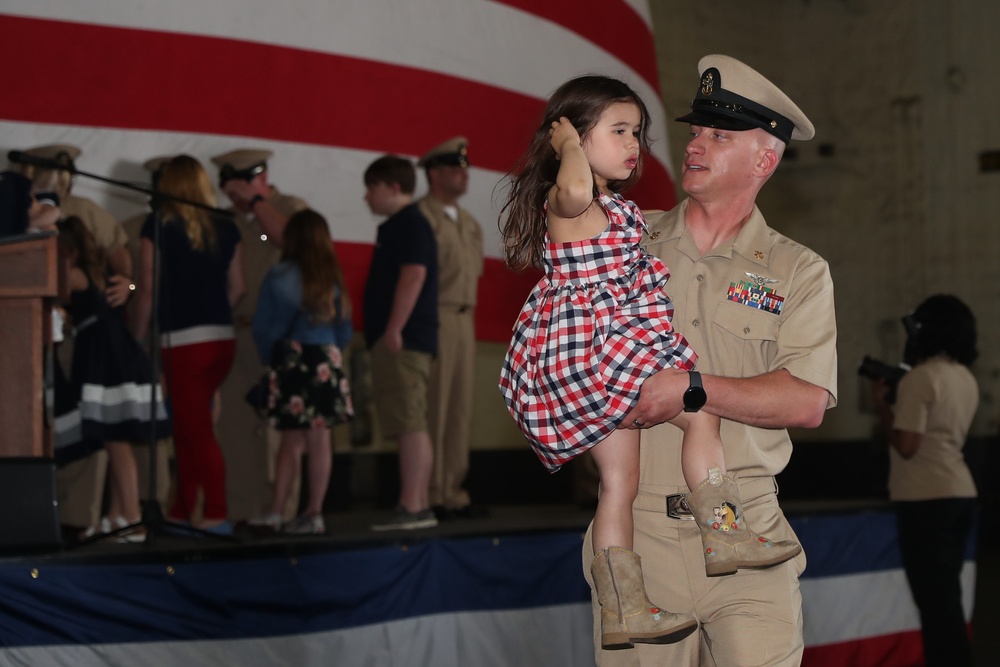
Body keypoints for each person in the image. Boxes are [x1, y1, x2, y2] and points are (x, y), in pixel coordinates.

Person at [499, 74, 800, 651]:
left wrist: (582, 148)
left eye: (637, 132)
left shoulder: (613, 207)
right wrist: (566, 149)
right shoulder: (574, 202)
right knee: (699, 411)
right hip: (603, 352)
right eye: (618, 131)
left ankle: (624, 605)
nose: (635, 144)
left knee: (618, 484)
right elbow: (568, 192)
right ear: (578, 143)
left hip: (597, 355)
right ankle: (726, 531)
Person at [586, 55, 838, 666]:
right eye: (696, 131)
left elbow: (807, 400)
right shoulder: (623, 242)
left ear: (764, 160)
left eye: (719, 136)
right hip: (636, 533)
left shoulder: (797, 270)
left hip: (747, 532)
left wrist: (691, 390)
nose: (695, 145)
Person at [18, 143, 135, 539]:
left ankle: (81, 515)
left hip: (82, 336)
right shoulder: (18, 206)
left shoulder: (84, 211)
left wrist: (127, 284)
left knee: (91, 424)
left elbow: (119, 252)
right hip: (35, 331)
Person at [133, 154, 245, 534]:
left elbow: (147, 288)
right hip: (220, 339)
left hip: (182, 341)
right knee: (188, 424)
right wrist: (214, 317)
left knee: (194, 430)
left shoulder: (159, 224)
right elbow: (239, 287)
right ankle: (181, 509)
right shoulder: (226, 226)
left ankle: (216, 512)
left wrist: (139, 336)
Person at [870, 295, 978, 667]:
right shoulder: (964, 377)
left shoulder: (921, 378)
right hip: (961, 493)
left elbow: (907, 445)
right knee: (947, 600)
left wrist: (883, 404)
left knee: (936, 606)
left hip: (926, 498)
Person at [55, 215, 170, 543]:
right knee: (116, 437)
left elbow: (56, 289)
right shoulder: (99, 272)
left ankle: (132, 519)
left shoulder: (75, 273)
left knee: (116, 442)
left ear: (69, 252)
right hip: (112, 355)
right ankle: (116, 516)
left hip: (106, 359)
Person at [210, 148, 310, 524]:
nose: (232, 198)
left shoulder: (288, 206)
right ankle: (243, 512)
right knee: (235, 428)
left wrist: (257, 204)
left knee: (278, 430)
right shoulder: (226, 219)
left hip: (280, 336)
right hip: (237, 333)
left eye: (237, 187)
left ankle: (277, 511)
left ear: (258, 178)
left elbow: (295, 244)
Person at [249, 209, 354, 535]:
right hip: (326, 359)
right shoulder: (331, 277)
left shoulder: (280, 275)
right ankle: (314, 513)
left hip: (293, 361)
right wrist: (331, 354)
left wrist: (272, 360)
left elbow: (265, 327)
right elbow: (345, 329)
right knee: (321, 441)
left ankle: (277, 511)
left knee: (290, 442)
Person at [363, 155, 440, 531]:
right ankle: (417, 503)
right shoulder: (404, 224)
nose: (366, 197)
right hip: (406, 337)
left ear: (394, 188)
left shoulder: (407, 223)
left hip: (403, 340)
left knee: (409, 421)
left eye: (371, 187)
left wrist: (394, 328)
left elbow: (413, 275)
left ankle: (412, 506)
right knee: (409, 420)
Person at [416, 137, 486, 520]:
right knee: (434, 407)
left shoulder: (468, 223)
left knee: (459, 408)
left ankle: (453, 491)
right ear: (435, 174)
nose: (463, 176)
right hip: (436, 316)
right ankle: (428, 491)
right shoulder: (423, 217)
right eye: (455, 169)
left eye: (464, 169)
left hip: (464, 319)